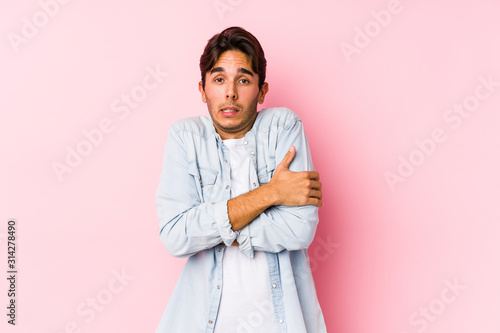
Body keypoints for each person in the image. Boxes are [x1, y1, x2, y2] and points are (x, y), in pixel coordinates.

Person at [155, 26, 327, 333]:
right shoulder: (186, 137)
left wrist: (213, 225)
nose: (230, 92)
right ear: (202, 88)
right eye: (219, 79)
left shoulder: (283, 127)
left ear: (262, 90)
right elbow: (176, 235)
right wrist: (273, 193)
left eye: (243, 80)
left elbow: (300, 229)